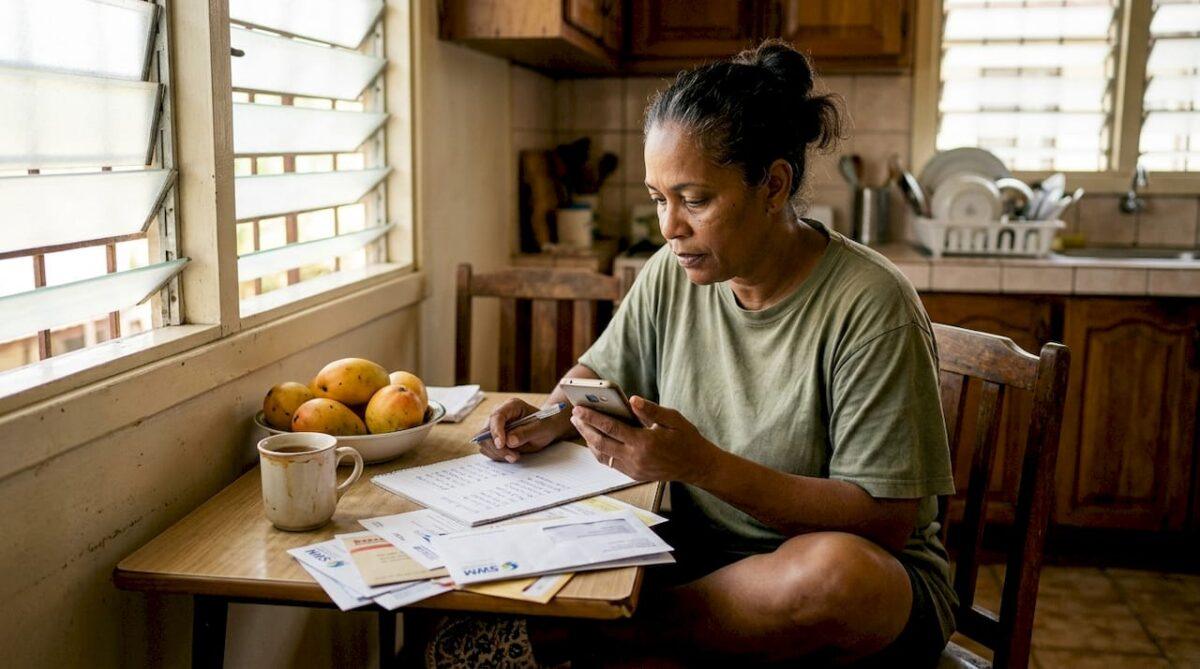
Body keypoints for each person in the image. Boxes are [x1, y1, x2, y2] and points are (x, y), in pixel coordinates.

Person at [438, 39, 956, 667]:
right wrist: (551, 417)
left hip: (853, 588)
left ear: (773, 184)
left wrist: (702, 466)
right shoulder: (672, 271)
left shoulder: (872, 305)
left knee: (838, 575)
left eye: (695, 199)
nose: (669, 227)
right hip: (693, 560)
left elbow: (884, 521)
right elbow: (596, 375)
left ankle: (584, 640)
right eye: (660, 198)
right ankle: (592, 635)